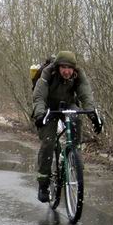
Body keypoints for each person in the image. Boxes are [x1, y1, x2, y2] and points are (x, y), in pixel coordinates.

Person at [31, 50, 102, 203]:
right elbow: (38, 97)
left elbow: (85, 94)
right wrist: (39, 115)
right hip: (48, 107)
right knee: (49, 142)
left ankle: (73, 155)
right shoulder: (47, 73)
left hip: (68, 105)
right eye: (63, 67)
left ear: (74, 68)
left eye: (70, 68)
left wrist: (93, 115)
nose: (67, 71)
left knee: (76, 118)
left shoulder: (78, 74)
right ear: (57, 67)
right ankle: (43, 184)